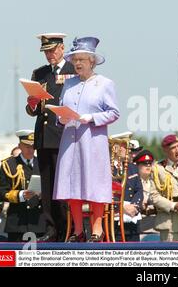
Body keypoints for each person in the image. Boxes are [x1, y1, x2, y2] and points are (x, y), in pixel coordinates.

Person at [53, 36, 120, 243]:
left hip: (92, 141)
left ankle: (97, 229)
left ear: (92, 60)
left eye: (81, 59)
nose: (78, 63)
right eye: (75, 60)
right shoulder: (69, 83)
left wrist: (90, 118)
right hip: (70, 141)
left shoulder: (104, 84)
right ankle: (77, 230)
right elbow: (61, 110)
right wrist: (61, 117)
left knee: (94, 184)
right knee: (71, 184)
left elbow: (114, 113)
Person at [26, 33, 76, 242]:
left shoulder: (73, 70)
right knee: (47, 186)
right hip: (44, 135)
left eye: (52, 50)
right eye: (46, 51)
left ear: (62, 48)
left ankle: (69, 228)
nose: (49, 55)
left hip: (63, 134)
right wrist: (32, 104)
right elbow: (33, 110)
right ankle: (51, 227)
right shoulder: (40, 73)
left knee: (64, 184)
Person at [0, 130, 46, 242]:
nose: (30, 149)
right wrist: (21, 195)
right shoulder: (9, 164)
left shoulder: (43, 163)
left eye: (33, 146)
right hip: (17, 223)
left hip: (39, 222)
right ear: (19, 146)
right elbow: (2, 192)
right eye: (27, 146)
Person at [150, 135, 178, 241]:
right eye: (173, 148)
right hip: (169, 222)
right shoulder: (158, 169)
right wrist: (173, 205)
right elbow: (154, 196)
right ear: (165, 150)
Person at [133, 149, 159, 240]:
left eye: (150, 163)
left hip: (156, 228)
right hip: (140, 229)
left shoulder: (157, 183)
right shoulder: (132, 184)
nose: (148, 165)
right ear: (137, 166)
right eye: (144, 163)